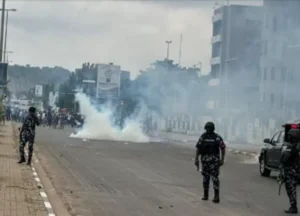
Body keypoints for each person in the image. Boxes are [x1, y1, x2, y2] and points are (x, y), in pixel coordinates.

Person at [195, 121, 226, 203]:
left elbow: (223, 148)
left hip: (214, 162)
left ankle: (216, 196)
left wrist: (222, 159)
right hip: (205, 161)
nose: (208, 130)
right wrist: (196, 159)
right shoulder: (203, 137)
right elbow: (198, 147)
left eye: (210, 128)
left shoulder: (217, 137)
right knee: (205, 178)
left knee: (215, 178)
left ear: (212, 129)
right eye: (207, 128)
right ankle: (205, 195)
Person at [280, 128, 300, 213]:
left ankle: (293, 207)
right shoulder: (296, 146)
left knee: (290, 188)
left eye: (290, 136)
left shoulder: (294, 146)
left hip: (292, 171)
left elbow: (285, 158)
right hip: (295, 170)